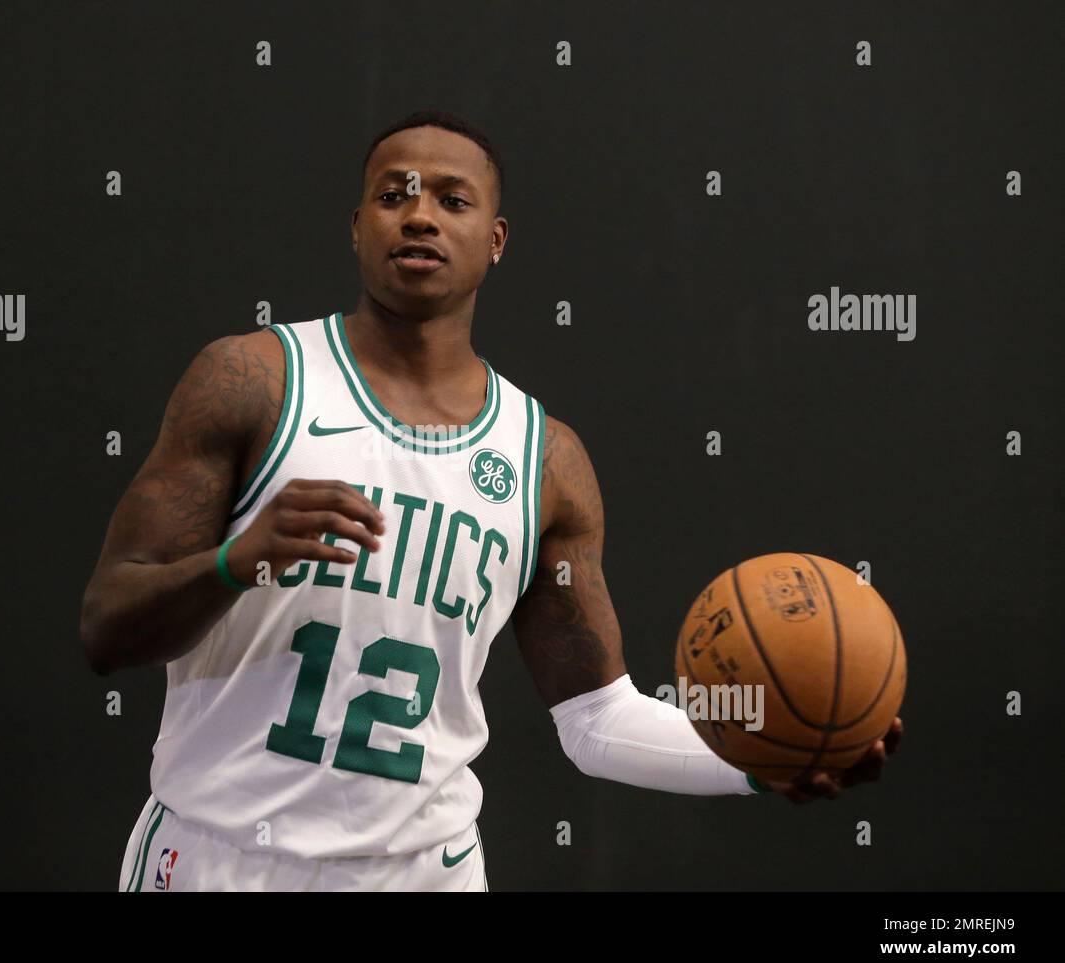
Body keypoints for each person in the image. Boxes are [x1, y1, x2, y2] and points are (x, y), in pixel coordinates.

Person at [79, 109, 903, 892]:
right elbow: (107, 629)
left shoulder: (545, 460)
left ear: (495, 240)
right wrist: (235, 563)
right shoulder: (253, 380)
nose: (420, 215)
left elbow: (597, 721)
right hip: (218, 860)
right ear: (357, 225)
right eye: (393, 193)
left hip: (422, 872)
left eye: (452, 198)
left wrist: (769, 760)